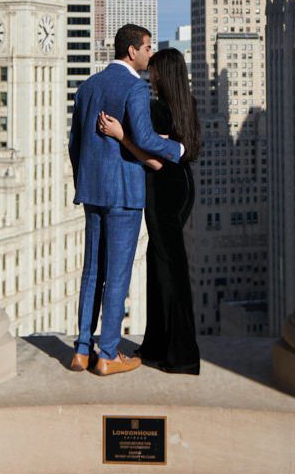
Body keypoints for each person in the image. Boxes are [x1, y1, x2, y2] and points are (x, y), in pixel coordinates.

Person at [68, 24, 184, 376]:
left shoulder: (88, 87)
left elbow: (74, 144)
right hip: (124, 193)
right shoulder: (135, 86)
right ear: (131, 51)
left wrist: (84, 180)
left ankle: (81, 350)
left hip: (92, 191)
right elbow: (145, 137)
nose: (151, 54)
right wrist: (176, 148)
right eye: (148, 48)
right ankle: (107, 354)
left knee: (92, 272)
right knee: (117, 274)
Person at [97, 47, 201, 374]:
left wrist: (121, 135)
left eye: (153, 70)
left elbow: (149, 155)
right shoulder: (187, 105)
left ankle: (181, 355)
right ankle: (158, 346)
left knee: (169, 273)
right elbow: (190, 149)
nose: (149, 75)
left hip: (162, 191)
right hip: (183, 187)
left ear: (162, 74)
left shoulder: (156, 109)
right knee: (161, 268)